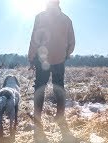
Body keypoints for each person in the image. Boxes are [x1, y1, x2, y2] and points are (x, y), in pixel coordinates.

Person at [28, 0, 75, 130]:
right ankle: (60, 116)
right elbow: (72, 41)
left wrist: (31, 57)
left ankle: (37, 118)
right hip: (59, 59)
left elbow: (34, 39)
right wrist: (66, 55)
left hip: (42, 60)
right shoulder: (67, 19)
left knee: (40, 88)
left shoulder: (40, 17)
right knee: (59, 87)